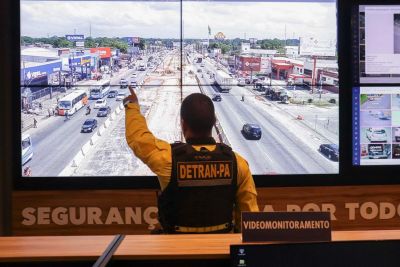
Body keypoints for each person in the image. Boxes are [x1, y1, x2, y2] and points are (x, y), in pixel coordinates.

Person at [124, 87, 258, 234]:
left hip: (176, 250)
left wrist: (132, 106)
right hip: (222, 250)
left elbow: (138, 138)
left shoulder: (168, 159)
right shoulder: (238, 163)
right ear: (213, 122)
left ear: (183, 124)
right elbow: (249, 216)